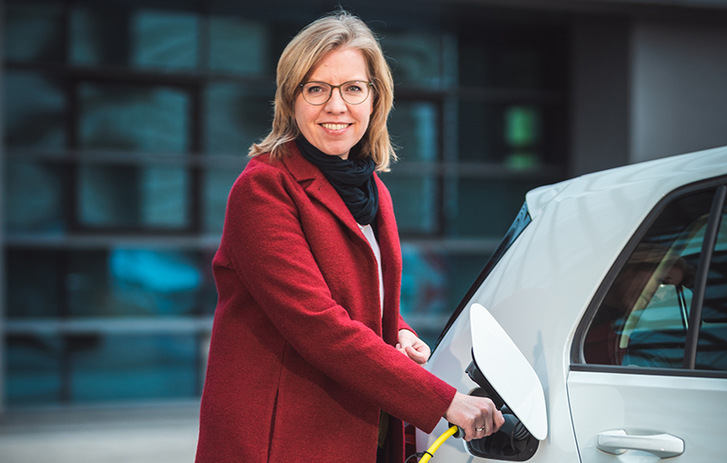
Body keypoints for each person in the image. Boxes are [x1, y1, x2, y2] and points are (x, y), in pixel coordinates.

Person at [195, 10, 503, 463]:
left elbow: (361, 301)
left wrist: (396, 330)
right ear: (291, 99)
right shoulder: (263, 188)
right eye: (316, 88)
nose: (336, 106)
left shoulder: (371, 188)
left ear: (376, 99)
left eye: (353, 89)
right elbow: (317, 323)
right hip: (283, 439)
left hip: (362, 428)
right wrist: (443, 401)